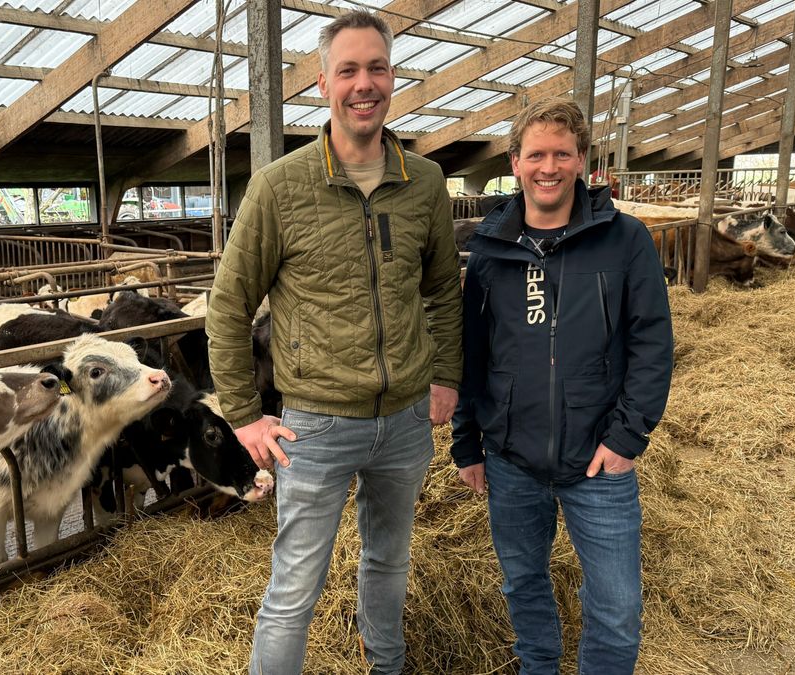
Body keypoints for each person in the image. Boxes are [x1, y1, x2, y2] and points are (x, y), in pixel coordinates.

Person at [205, 10, 462, 675]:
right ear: (322, 83)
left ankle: (388, 666)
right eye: (347, 70)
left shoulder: (425, 183)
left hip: (405, 421)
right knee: (295, 587)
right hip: (315, 424)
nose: (363, 83)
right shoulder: (280, 187)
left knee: (389, 562)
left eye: (376, 67)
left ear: (393, 77)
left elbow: (442, 291)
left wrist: (446, 377)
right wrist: (241, 411)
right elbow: (228, 305)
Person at [451, 98, 673, 674]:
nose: (548, 167)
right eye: (536, 155)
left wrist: (627, 437)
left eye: (561, 154)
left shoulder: (625, 240)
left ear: (581, 161)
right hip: (509, 457)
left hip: (599, 457)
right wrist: (467, 441)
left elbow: (652, 343)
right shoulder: (490, 250)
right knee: (523, 583)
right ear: (515, 163)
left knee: (617, 607)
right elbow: (471, 353)